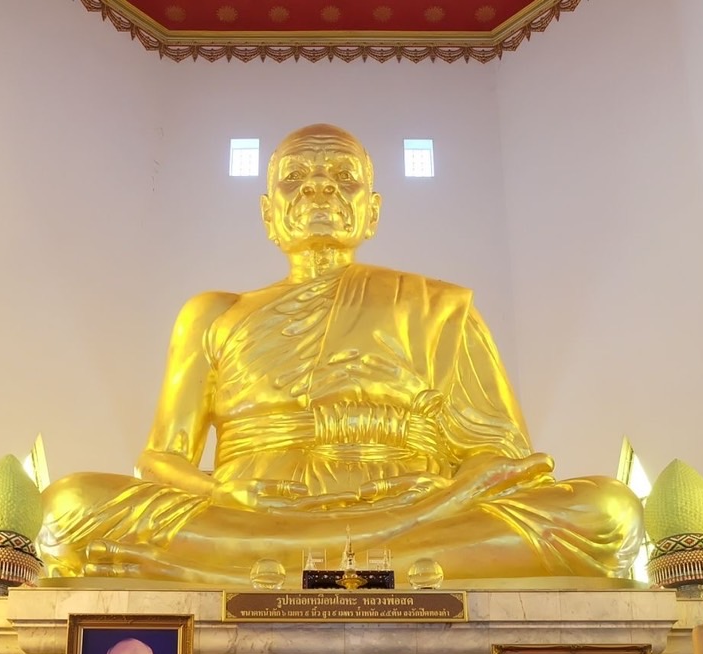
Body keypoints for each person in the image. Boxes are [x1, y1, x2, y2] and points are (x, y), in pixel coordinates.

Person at [39, 124, 642, 585]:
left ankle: (262, 567)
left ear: (372, 211)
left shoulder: (437, 307)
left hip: (417, 504)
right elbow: (161, 459)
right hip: (253, 512)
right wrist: (224, 493)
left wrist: (443, 494)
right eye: (295, 176)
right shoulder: (212, 313)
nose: (319, 186)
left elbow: (501, 459)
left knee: (608, 511)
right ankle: (391, 567)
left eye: (342, 175)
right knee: (68, 506)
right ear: (268, 213)